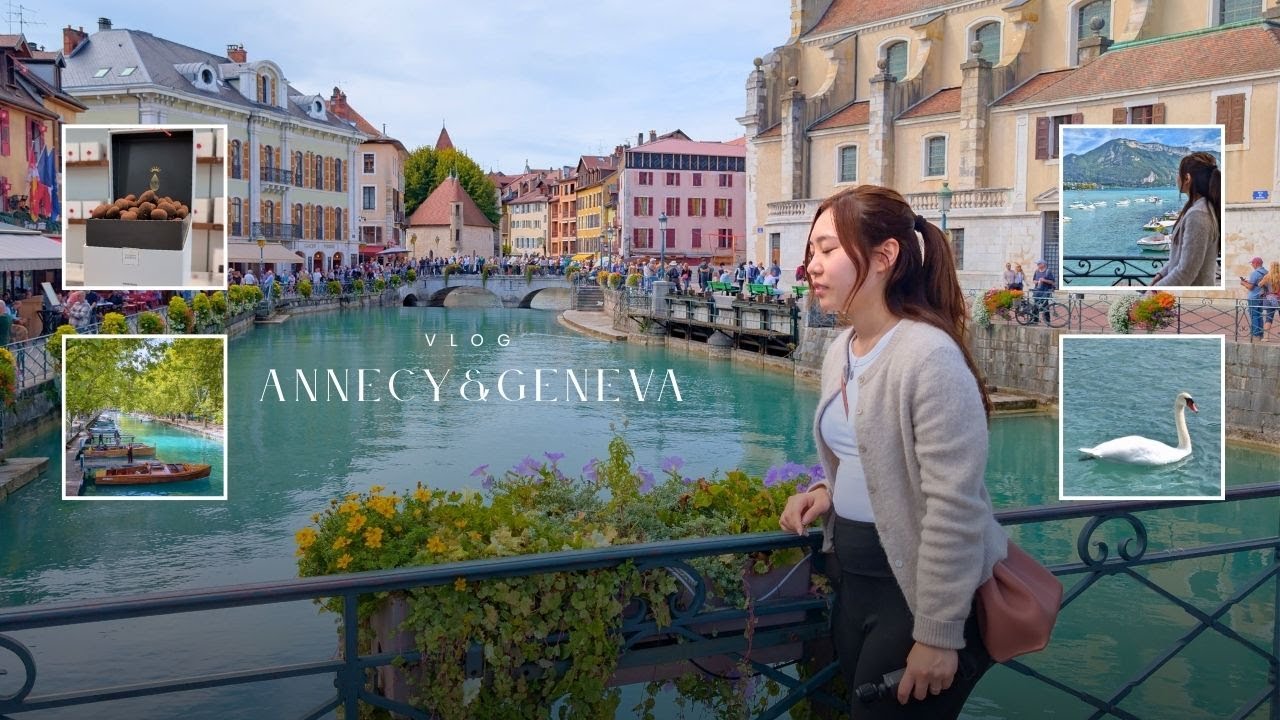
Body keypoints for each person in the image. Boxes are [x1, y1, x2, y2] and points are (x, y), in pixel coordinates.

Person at [778, 185, 1005, 718]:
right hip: (853, 582)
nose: (811, 265)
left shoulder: (928, 357)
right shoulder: (842, 349)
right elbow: (868, 451)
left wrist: (939, 635)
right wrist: (825, 492)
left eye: (828, 250)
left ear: (884, 258)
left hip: (913, 595)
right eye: (812, 251)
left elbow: (955, 506)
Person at [1152, 152, 1221, 287]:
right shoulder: (1200, 207)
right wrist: (1161, 274)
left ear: (1187, 178)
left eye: (1178, 173)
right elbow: (1184, 257)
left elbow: (1186, 272)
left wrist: (1152, 293)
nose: (1176, 178)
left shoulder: (1198, 214)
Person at [1241, 256, 1269, 340]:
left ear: (1256, 263)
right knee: (1259, 315)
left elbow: (1250, 287)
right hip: (1262, 297)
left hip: (1254, 297)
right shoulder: (1266, 272)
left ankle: (1256, 334)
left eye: (1252, 263)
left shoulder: (1255, 273)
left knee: (1254, 315)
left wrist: (1243, 283)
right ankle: (1260, 334)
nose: (1252, 265)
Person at [1031, 260, 1056, 324]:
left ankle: (1047, 321)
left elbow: (1052, 282)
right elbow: (1033, 280)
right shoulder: (1036, 271)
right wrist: (1036, 282)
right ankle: (1035, 320)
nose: (1038, 265)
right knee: (1035, 305)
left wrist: (1044, 280)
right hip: (1037, 291)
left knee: (1045, 306)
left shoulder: (1048, 271)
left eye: (1039, 264)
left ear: (1043, 264)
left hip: (1045, 291)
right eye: (1037, 264)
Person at [1261, 261, 1280, 341]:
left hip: (1270, 299)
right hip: (1279, 299)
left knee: (1268, 318)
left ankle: (1266, 337)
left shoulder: (1267, 276)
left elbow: (1260, 284)